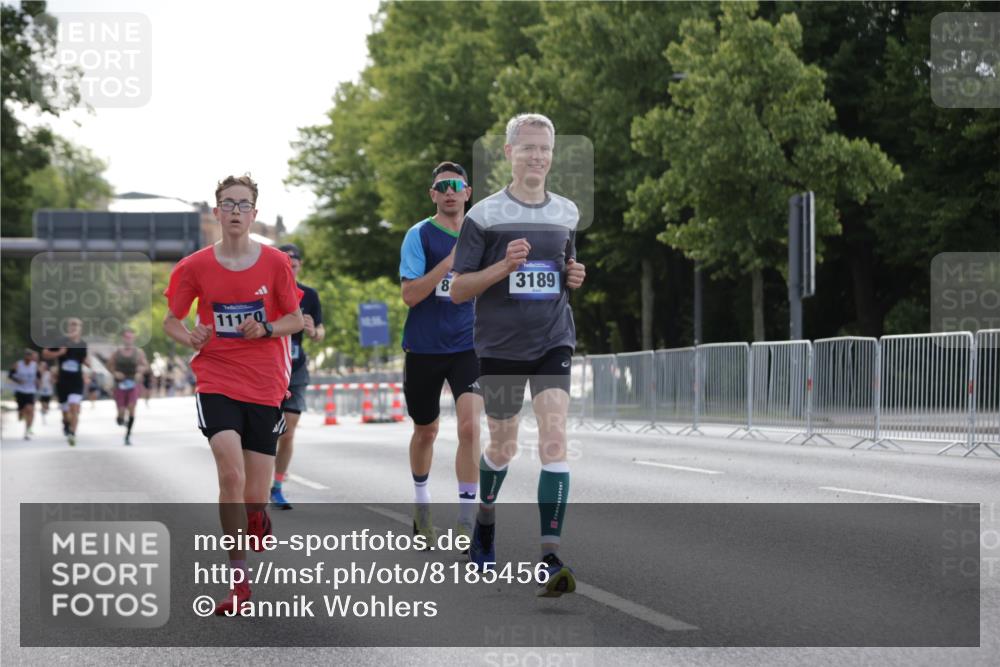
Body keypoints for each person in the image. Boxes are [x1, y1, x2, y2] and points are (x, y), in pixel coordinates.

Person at [451, 114, 586, 597]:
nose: (538, 157)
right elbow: (459, 289)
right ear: (509, 153)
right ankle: (485, 520)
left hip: (553, 340)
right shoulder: (483, 216)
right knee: (503, 448)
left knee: (554, 439)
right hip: (501, 348)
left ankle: (550, 556)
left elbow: (565, 266)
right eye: (528, 148)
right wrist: (503, 266)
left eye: (545, 148)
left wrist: (573, 276)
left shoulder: (567, 212)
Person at [163, 174, 303, 616]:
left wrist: (266, 327)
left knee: (254, 495)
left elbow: (296, 319)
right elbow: (171, 320)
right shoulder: (194, 266)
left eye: (244, 204)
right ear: (216, 212)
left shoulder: (276, 262)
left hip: (264, 383)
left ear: (254, 213)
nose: (236, 211)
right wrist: (189, 336)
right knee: (230, 476)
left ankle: (257, 516)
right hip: (216, 377)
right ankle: (238, 583)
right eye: (228, 204)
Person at [399, 161, 481, 546]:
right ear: (433, 194)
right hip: (424, 347)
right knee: (426, 430)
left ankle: (467, 518)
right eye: (442, 186)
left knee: (470, 427)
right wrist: (448, 263)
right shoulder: (419, 235)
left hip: (469, 345)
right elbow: (410, 295)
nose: (450, 192)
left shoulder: (481, 235)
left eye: (456, 186)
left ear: (468, 193)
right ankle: (421, 505)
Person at [270, 242, 325, 510]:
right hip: (268, 368)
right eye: (286, 263)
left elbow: (320, 332)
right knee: (265, 431)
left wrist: (313, 331)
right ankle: (259, 475)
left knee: (288, 432)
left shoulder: (309, 295)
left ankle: (277, 486)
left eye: (294, 264)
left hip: (296, 367)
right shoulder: (266, 292)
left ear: (300, 266)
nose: (290, 267)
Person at [43, 318, 91, 446]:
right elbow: (45, 353)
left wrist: (88, 363)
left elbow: (85, 360)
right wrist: (59, 352)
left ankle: (72, 434)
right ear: (68, 328)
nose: (74, 327)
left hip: (77, 381)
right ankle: (65, 423)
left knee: (74, 407)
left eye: (76, 325)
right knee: (65, 411)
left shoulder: (83, 344)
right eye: (71, 325)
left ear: (80, 328)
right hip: (62, 381)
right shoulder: (61, 341)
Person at [106, 328, 149, 446]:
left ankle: (128, 435)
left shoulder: (138, 352)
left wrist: (140, 371)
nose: (128, 339)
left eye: (130, 337)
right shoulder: (117, 352)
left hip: (133, 383)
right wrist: (115, 373)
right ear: (123, 338)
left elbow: (145, 366)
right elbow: (109, 365)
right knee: (121, 413)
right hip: (119, 384)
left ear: (133, 338)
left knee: (131, 407)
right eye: (126, 337)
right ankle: (120, 419)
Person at [10, 348, 38, 439]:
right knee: (22, 411)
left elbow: (39, 376)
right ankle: (20, 413)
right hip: (20, 390)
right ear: (25, 357)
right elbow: (10, 375)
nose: (29, 358)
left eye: (30, 356)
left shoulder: (35, 365)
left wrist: (38, 382)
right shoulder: (18, 364)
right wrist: (18, 380)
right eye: (27, 356)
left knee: (30, 409)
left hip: (30, 391)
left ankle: (28, 429)